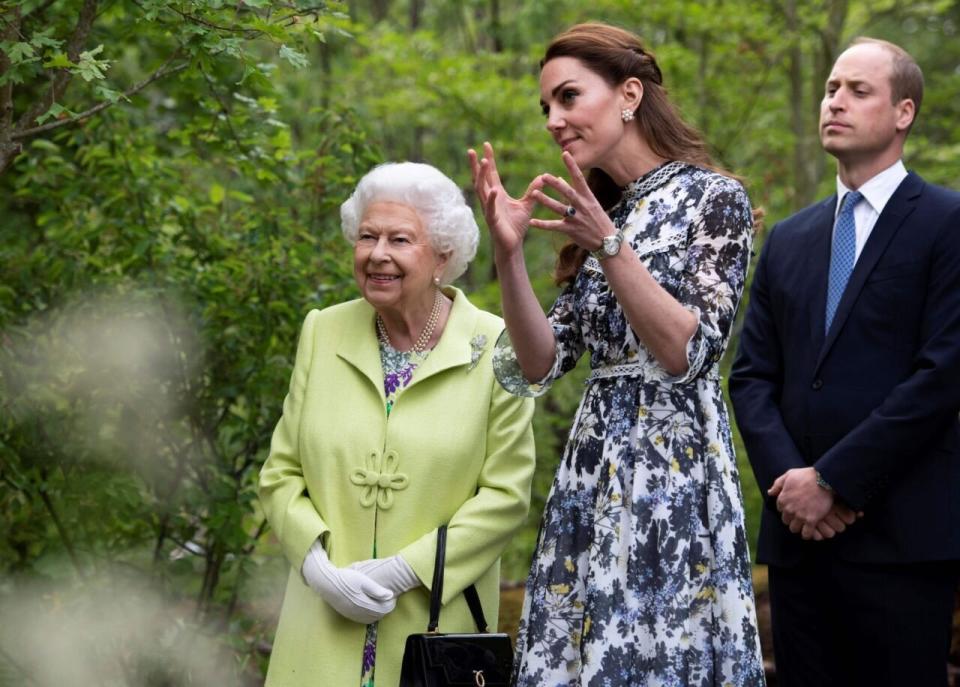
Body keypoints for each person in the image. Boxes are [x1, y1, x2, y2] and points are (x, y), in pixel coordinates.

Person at [470, 22, 765, 686]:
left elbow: (687, 350)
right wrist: (508, 252)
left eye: (568, 97)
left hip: (674, 481)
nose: (554, 119)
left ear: (629, 94)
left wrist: (611, 246)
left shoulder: (713, 200)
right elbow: (538, 365)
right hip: (592, 474)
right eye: (545, 106)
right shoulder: (602, 214)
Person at [730, 37, 960, 686]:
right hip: (799, 541)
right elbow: (751, 377)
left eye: (859, 91)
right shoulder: (789, 238)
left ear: (904, 112)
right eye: (832, 88)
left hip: (903, 536)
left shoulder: (947, 222)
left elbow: (942, 373)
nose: (836, 101)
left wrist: (835, 480)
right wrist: (793, 486)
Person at [257, 161, 536, 687]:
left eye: (399, 239)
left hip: (432, 636)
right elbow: (280, 473)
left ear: (443, 256)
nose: (377, 254)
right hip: (321, 625)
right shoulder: (323, 331)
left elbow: (506, 495)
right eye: (367, 236)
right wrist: (318, 569)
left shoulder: (497, 344)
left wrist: (403, 570)